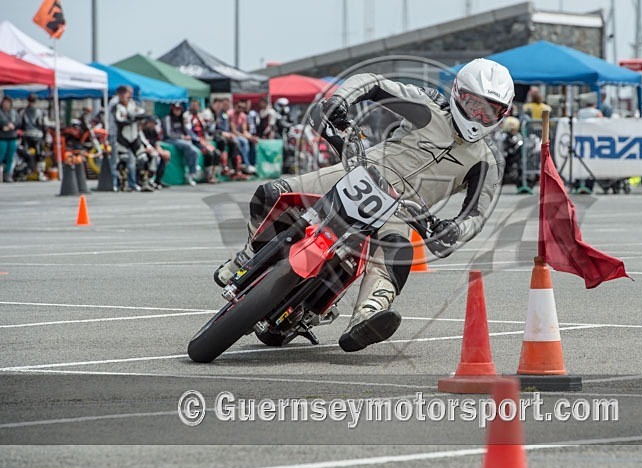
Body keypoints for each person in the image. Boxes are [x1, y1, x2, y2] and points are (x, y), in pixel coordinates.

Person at [214, 58, 514, 352]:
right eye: (475, 105)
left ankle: (368, 314)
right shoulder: (428, 106)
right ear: (459, 94)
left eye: (490, 111)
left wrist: (453, 230)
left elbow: (477, 212)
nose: (479, 116)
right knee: (272, 193)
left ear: (503, 114)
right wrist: (340, 101)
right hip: (358, 171)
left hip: (402, 210)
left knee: (399, 249)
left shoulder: (487, 162)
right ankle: (247, 256)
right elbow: (374, 84)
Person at [112, 85, 148, 192]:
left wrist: (133, 117)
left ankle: (143, 182)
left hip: (134, 135)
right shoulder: (117, 107)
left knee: (143, 159)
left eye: (126, 93)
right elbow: (119, 120)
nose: (124, 96)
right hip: (123, 137)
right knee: (123, 160)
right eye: (122, 94)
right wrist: (132, 118)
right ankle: (123, 183)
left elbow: (142, 114)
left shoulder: (133, 104)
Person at [162, 102, 201, 186]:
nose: (177, 111)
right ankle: (192, 170)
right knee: (187, 145)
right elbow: (168, 133)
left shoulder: (181, 119)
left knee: (195, 150)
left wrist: (195, 138)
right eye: (176, 109)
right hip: (170, 140)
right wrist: (182, 137)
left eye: (179, 109)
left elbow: (187, 131)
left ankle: (192, 171)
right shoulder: (167, 118)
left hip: (181, 140)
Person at [186, 99, 222, 183]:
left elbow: (205, 129)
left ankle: (213, 175)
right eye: (193, 105)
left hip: (203, 139)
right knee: (208, 153)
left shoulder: (200, 116)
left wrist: (206, 138)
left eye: (196, 106)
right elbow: (188, 131)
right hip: (194, 140)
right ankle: (207, 175)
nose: (194, 107)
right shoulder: (187, 116)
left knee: (216, 153)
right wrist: (198, 140)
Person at [19, 94, 46, 181]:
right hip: (37, 135)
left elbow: (20, 124)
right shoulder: (39, 112)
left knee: (25, 154)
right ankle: (40, 173)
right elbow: (42, 124)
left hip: (26, 135)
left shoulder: (23, 111)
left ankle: (24, 172)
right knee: (40, 155)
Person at [140, 116, 171, 189]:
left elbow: (156, 144)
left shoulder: (153, 132)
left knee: (163, 157)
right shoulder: (143, 132)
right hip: (143, 151)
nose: (152, 125)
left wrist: (162, 152)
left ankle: (158, 181)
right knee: (153, 157)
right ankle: (148, 180)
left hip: (153, 151)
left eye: (154, 123)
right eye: (151, 123)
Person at [0, 96, 19, 183]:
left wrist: (13, 126)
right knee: (1, 155)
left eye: (8, 103)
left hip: (12, 136)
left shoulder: (14, 112)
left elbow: (19, 122)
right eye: (5, 102)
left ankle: (7, 174)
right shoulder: (0, 112)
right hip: (2, 137)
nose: (6, 104)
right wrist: (5, 125)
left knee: (10, 157)